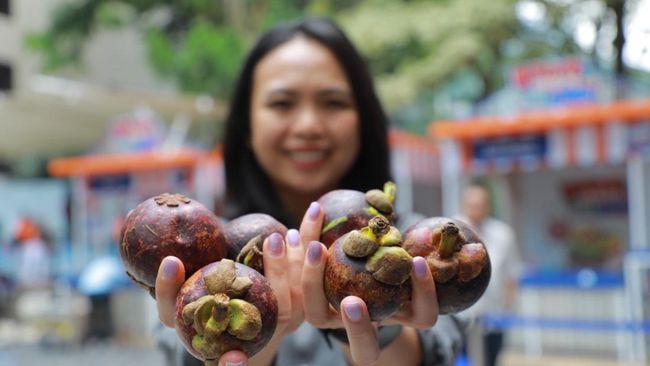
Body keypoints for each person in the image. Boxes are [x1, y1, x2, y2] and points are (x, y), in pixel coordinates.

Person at [154, 16, 464, 366]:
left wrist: (380, 320)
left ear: (363, 120)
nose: (308, 126)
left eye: (333, 103)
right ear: (246, 127)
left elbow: (437, 345)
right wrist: (246, 339)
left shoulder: (419, 244)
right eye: (282, 103)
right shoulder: (201, 255)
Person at [456, 183, 522, 366]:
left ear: (488, 207)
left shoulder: (503, 234)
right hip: (461, 315)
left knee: (491, 359)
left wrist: (510, 308)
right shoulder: (451, 229)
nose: (475, 210)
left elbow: (511, 273)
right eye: (472, 205)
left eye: (480, 205)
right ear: (463, 205)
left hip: (494, 313)